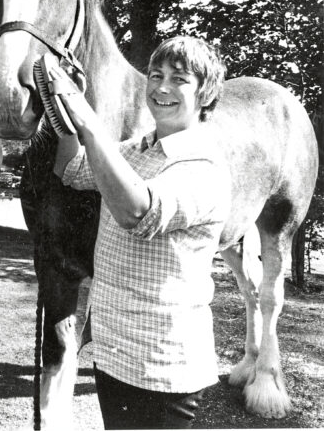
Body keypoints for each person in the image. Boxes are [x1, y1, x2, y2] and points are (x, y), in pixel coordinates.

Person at [51, 36, 230, 429]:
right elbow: (72, 169)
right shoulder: (138, 148)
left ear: (207, 92)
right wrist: (62, 108)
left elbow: (137, 212)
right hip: (116, 350)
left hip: (162, 363)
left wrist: (87, 120)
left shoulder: (205, 165)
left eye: (179, 79)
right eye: (155, 75)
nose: (162, 88)